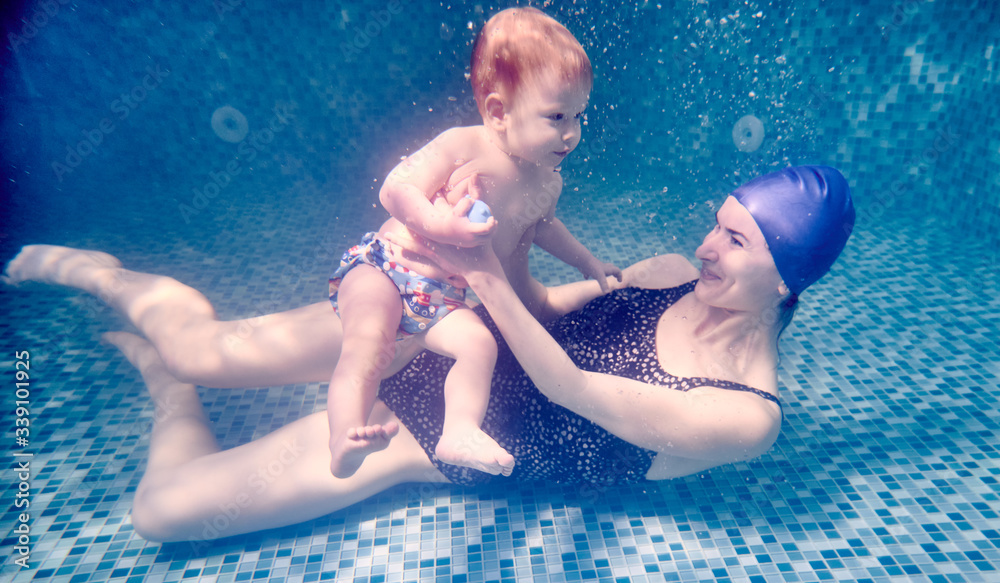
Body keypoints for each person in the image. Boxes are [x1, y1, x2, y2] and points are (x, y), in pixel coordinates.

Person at [2, 166, 855, 543]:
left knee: (162, 512)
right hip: (440, 328)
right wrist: (480, 243)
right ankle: (109, 279)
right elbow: (543, 306)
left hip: (424, 432)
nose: (704, 247)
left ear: (788, 278)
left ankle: (166, 390)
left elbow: (566, 388)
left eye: (735, 241)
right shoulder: (671, 274)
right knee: (201, 344)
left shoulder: (745, 414)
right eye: (716, 222)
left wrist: (479, 268)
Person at [325, 7, 620, 478]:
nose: (571, 133)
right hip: (389, 268)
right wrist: (441, 227)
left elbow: (543, 227)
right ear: (499, 111)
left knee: (480, 346)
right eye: (556, 116)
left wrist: (588, 262)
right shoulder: (461, 144)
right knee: (366, 343)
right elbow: (394, 189)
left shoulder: (547, 180)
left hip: (445, 301)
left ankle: (458, 431)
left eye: (579, 115)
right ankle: (344, 437)